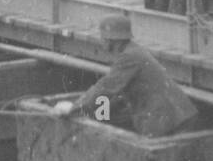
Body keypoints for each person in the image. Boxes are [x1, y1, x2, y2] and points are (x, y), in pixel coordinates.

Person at [57, 14, 198, 137]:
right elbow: (114, 93)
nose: (101, 41)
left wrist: (74, 108)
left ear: (111, 39)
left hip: (170, 120)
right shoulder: (131, 51)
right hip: (173, 116)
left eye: (103, 37)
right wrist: (97, 113)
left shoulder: (129, 57)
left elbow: (106, 87)